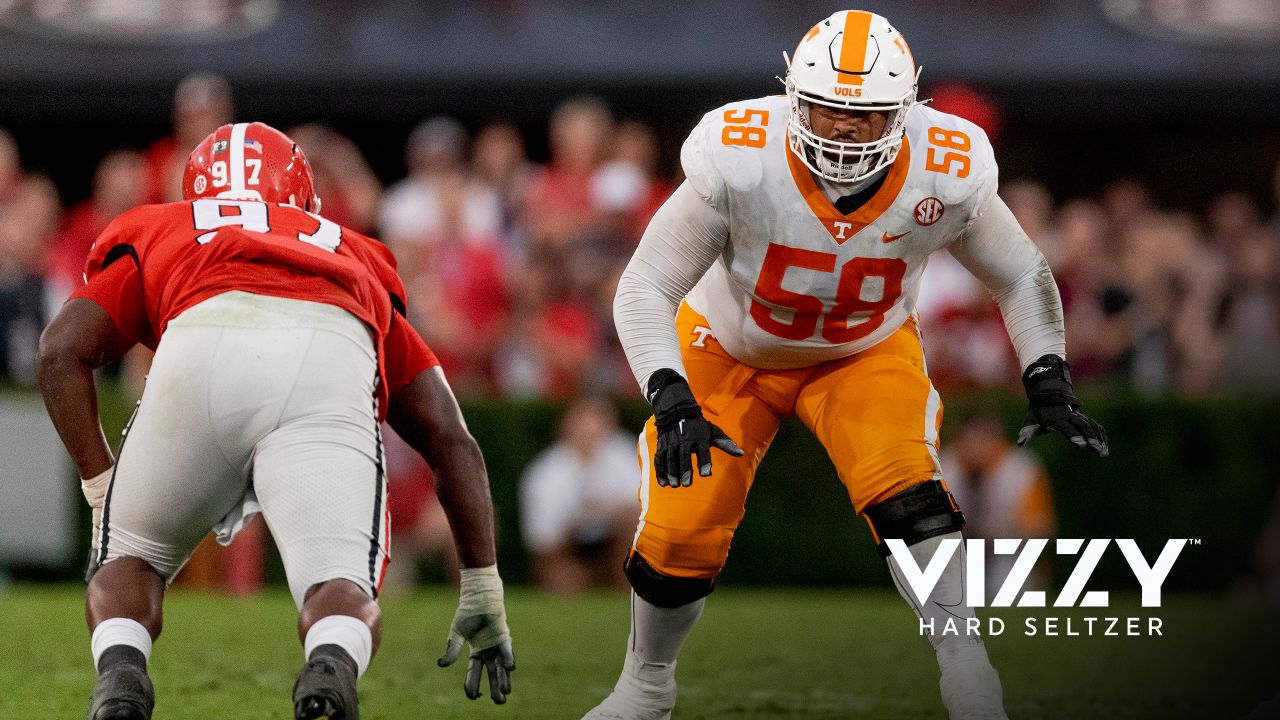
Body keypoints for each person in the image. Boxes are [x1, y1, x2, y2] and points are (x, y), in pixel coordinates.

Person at [590, 10, 1108, 720]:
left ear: (904, 110)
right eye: (826, 109)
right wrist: (670, 392)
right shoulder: (741, 153)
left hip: (862, 350)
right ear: (793, 98)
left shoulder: (946, 165)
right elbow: (646, 284)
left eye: (861, 116)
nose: (840, 129)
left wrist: (1047, 372)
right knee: (681, 525)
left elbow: (1020, 273)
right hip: (730, 346)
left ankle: (967, 668)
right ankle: (645, 689)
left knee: (911, 497)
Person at [36, 122, 515, 720]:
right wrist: (482, 587)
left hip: (200, 344)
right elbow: (450, 437)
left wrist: (100, 485)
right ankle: (330, 666)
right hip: (327, 351)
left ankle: (122, 678)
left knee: (129, 557)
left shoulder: (169, 225)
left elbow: (59, 351)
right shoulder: (352, 250)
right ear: (304, 197)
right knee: (340, 582)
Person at [519, 396, 640, 593]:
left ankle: (628, 589)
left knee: (636, 530)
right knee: (566, 583)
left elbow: (644, 506)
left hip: (615, 546)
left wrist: (608, 513)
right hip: (569, 551)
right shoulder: (545, 473)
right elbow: (543, 540)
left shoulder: (623, 454)